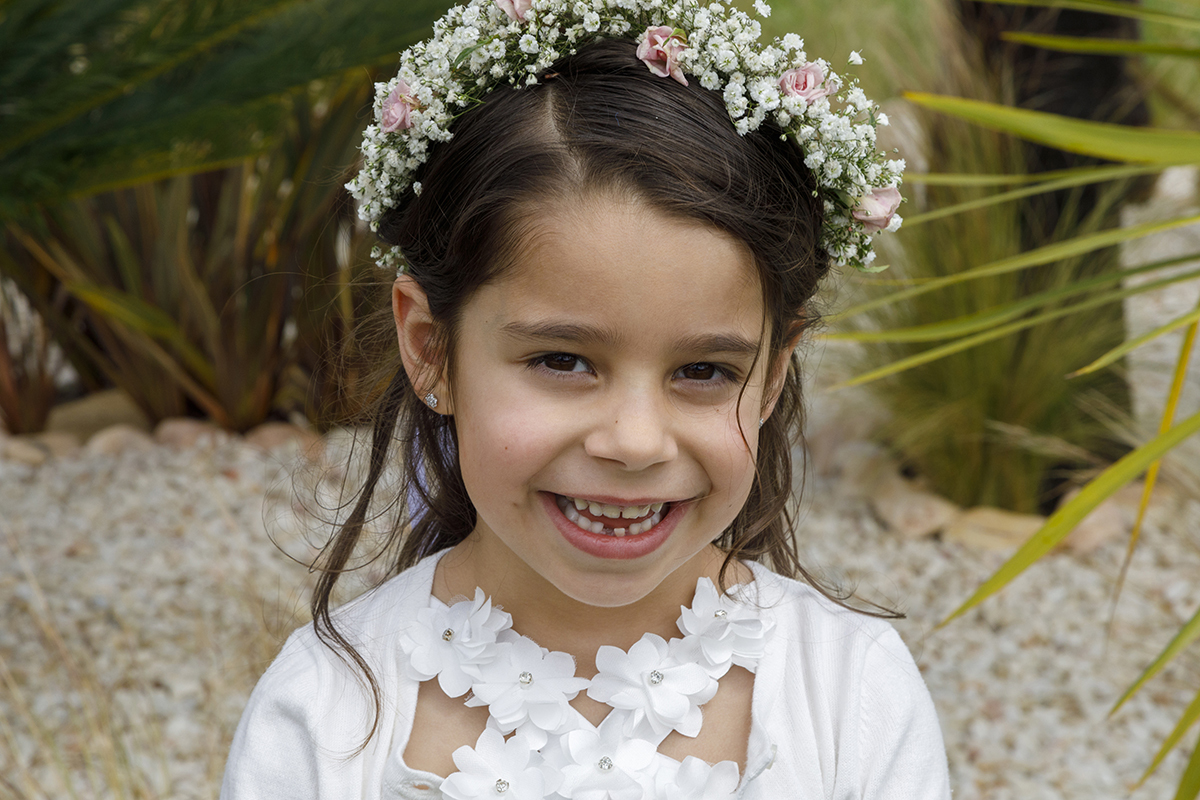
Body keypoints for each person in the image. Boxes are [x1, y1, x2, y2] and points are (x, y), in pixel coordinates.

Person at [221, 0, 947, 797]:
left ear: (773, 376)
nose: (636, 443)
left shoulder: (852, 696)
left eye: (704, 372)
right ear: (432, 351)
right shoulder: (325, 717)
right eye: (563, 360)